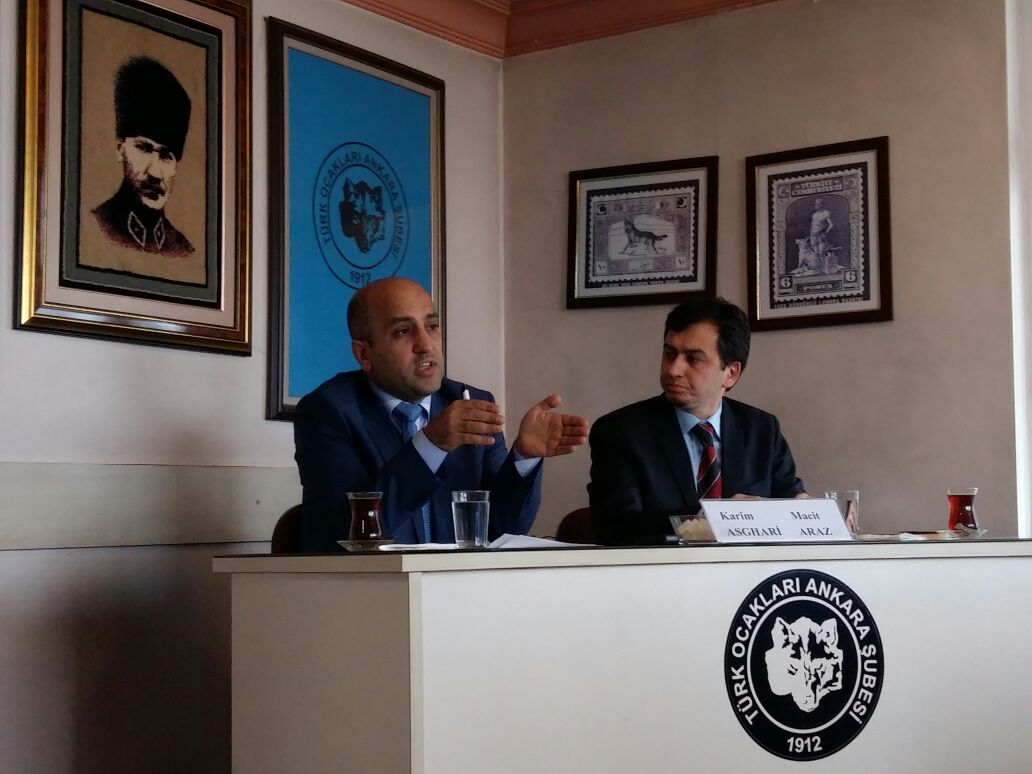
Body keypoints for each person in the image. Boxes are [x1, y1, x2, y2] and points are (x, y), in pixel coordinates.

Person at [295, 278, 589, 552]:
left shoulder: (470, 402)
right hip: (375, 587)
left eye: (432, 326)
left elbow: (501, 530)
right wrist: (430, 445)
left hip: (458, 585)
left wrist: (524, 457)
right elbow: (351, 533)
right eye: (402, 331)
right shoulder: (327, 412)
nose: (425, 345)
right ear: (364, 354)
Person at [588, 296, 806, 545]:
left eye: (693, 359)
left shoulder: (762, 429)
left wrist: (809, 511)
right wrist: (713, 519)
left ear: (731, 373)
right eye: (669, 354)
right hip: (662, 568)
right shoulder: (620, 432)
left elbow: (791, 505)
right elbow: (614, 527)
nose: (673, 370)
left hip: (748, 569)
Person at [92, 56, 194, 256]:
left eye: (166, 156)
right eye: (144, 149)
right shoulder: (97, 227)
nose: (155, 172)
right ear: (120, 149)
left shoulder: (182, 249)